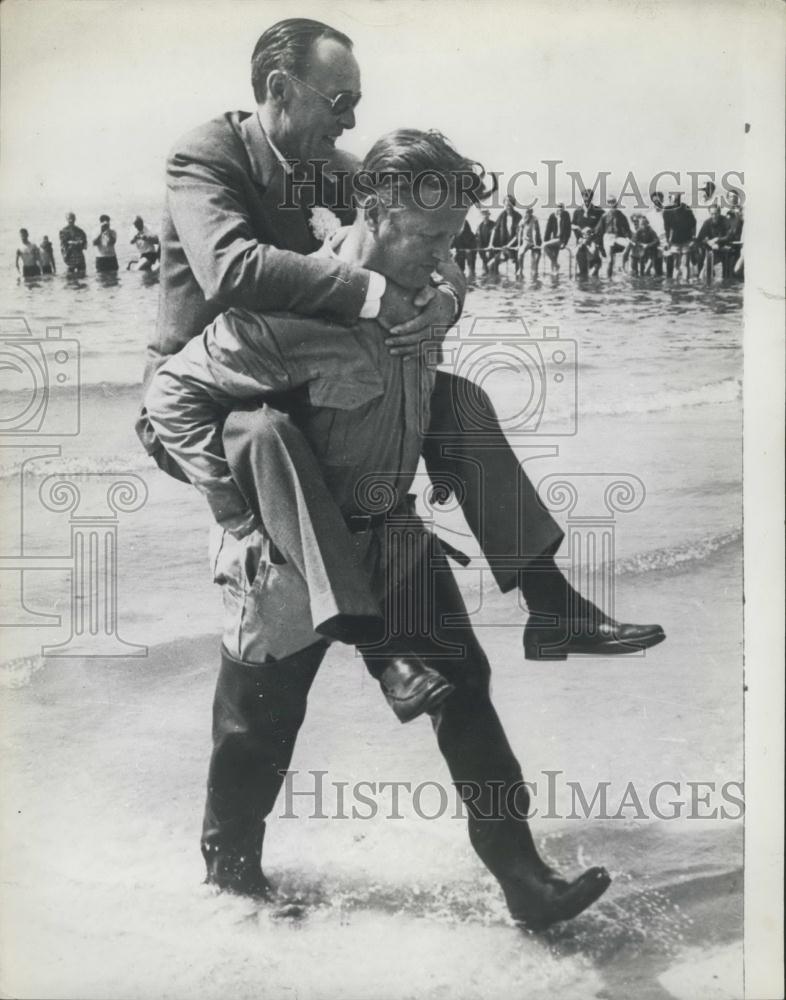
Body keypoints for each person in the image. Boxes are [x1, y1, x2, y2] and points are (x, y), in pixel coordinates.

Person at [145, 128, 613, 930]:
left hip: (391, 536)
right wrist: (236, 515)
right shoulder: (288, 312)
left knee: (467, 696)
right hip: (293, 550)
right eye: (430, 237)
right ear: (375, 211)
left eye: (453, 238)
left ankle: (524, 880)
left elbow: (439, 314)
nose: (444, 255)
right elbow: (169, 399)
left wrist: (444, 298)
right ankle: (231, 891)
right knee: (257, 731)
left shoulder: (422, 297)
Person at [138, 17, 663, 701]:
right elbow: (230, 270)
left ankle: (551, 603)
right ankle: (381, 648)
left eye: (356, 100)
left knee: (456, 400)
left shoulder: (330, 164)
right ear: (278, 87)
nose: (352, 120)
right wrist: (373, 294)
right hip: (212, 400)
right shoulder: (206, 157)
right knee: (270, 433)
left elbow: (428, 230)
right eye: (339, 101)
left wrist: (444, 298)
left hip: (306, 379)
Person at [594, 196, 631, 277]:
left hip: (617, 237)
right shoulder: (604, 216)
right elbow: (599, 231)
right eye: (610, 202)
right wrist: (599, 245)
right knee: (610, 261)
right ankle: (608, 279)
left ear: (616, 203)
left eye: (613, 202)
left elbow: (627, 228)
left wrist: (628, 237)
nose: (612, 204)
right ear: (608, 204)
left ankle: (622, 262)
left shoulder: (620, 215)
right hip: (608, 237)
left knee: (628, 244)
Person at [663, 193, 697, 278]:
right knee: (676, 264)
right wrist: (667, 240)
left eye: (677, 200)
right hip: (674, 241)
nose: (675, 202)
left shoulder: (686, 208)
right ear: (670, 200)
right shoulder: (667, 211)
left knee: (685, 264)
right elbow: (667, 227)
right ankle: (675, 283)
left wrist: (693, 238)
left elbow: (693, 223)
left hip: (687, 239)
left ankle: (685, 282)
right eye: (674, 200)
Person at [695, 204, 729, 278]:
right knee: (703, 275)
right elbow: (699, 239)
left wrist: (718, 240)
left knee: (720, 276)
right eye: (712, 214)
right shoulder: (707, 222)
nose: (714, 216)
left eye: (716, 213)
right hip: (710, 250)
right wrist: (708, 242)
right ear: (709, 213)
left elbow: (729, 236)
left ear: (719, 213)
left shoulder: (725, 221)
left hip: (723, 248)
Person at [489, 194, 521, 271]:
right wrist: (490, 243)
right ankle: (496, 281)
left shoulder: (518, 216)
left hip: (514, 245)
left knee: (517, 265)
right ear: (504, 205)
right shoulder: (502, 215)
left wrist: (508, 245)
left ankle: (518, 280)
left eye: (510, 205)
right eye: (506, 205)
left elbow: (518, 235)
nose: (508, 207)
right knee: (491, 264)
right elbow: (494, 230)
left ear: (513, 205)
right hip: (503, 245)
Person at [542, 202, 571, 272]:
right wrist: (546, 240)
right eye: (558, 207)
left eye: (561, 208)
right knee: (554, 256)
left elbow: (568, 230)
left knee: (544, 246)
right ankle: (554, 276)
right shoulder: (552, 216)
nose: (560, 209)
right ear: (556, 208)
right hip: (554, 239)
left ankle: (556, 265)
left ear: (563, 209)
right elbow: (548, 229)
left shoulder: (566, 215)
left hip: (561, 240)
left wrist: (565, 242)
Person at [515, 206, 542, 277]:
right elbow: (520, 232)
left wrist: (535, 244)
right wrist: (518, 245)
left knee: (535, 260)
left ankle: (535, 272)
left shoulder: (535, 219)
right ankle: (520, 269)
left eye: (529, 213)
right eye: (526, 213)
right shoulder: (523, 220)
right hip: (526, 241)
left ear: (531, 213)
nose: (527, 214)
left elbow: (534, 231)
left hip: (535, 240)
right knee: (520, 254)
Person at [646, 191, 667, 276]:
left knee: (668, 264)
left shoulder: (668, 212)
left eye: (659, 201)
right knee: (656, 268)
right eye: (655, 201)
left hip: (666, 241)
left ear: (662, 200)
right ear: (652, 202)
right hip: (655, 242)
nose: (657, 203)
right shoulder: (649, 215)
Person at [475, 208, 495, 272]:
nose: (485, 216)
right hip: (482, 246)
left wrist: (491, 245)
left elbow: (495, 236)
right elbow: (477, 237)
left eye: (486, 214)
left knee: (492, 266)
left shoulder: (493, 224)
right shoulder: (479, 226)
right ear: (481, 216)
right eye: (483, 214)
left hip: (492, 246)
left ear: (489, 215)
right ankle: (485, 265)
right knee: (485, 262)